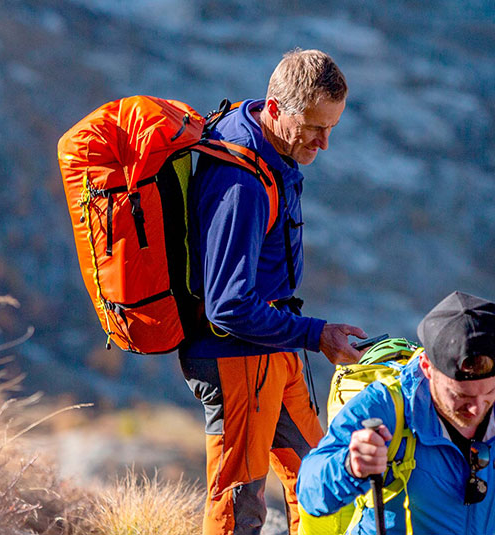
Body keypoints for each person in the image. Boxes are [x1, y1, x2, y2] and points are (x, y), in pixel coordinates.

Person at [178, 48, 367, 535]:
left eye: (332, 128)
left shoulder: (268, 140)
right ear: (276, 109)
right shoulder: (239, 182)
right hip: (235, 359)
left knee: (322, 479)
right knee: (239, 509)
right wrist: (317, 335)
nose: (324, 144)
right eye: (314, 128)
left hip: (274, 347)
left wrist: (307, 336)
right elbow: (227, 306)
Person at [296, 291, 495, 534]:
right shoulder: (385, 406)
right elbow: (309, 491)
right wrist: (349, 466)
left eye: (489, 394)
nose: (476, 408)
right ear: (426, 366)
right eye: (460, 396)